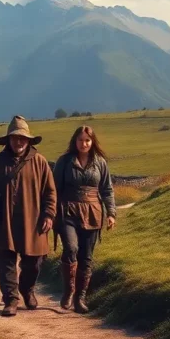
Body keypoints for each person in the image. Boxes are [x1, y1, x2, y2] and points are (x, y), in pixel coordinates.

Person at [0, 115, 57, 317]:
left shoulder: (40, 162)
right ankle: (11, 300)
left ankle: (27, 289)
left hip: (34, 220)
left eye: (22, 138)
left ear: (28, 140)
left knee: (35, 261)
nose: (19, 142)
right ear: (8, 140)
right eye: (15, 138)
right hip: (4, 220)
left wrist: (49, 215)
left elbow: (50, 192)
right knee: (6, 262)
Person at [53, 125, 116, 314]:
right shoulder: (64, 162)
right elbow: (54, 189)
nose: (84, 143)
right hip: (67, 211)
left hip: (92, 212)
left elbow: (107, 190)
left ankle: (80, 298)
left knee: (86, 256)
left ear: (92, 142)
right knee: (71, 248)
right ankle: (68, 291)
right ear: (75, 141)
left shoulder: (100, 163)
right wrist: (51, 213)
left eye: (87, 140)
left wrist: (111, 213)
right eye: (80, 140)